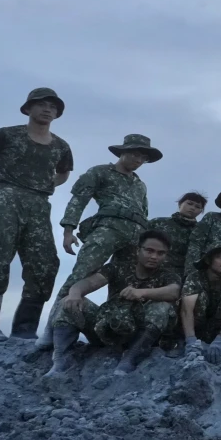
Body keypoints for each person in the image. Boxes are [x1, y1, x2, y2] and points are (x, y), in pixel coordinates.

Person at [0, 88, 74, 339]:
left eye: (53, 107)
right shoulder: (7, 135)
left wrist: (47, 184)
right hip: (6, 199)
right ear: (28, 108)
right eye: (42, 104)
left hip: (39, 204)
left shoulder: (61, 145)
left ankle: (24, 331)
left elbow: (64, 172)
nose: (47, 110)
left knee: (44, 265)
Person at [46, 134, 157, 346]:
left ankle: (110, 329)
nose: (139, 160)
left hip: (135, 236)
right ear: (122, 152)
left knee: (124, 281)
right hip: (108, 229)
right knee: (81, 275)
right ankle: (53, 328)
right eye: (135, 154)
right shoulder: (100, 172)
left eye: (143, 157)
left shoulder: (140, 185)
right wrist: (68, 230)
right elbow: (78, 200)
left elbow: (145, 213)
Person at [48, 230, 180, 376]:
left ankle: (130, 358)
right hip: (106, 326)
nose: (154, 256)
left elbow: (174, 292)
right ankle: (60, 359)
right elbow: (90, 282)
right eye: (149, 251)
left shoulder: (168, 275)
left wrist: (141, 292)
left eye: (160, 253)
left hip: (136, 333)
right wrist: (74, 293)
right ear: (138, 250)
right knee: (68, 302)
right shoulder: (117, 267)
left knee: (162, 307)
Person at [180, 242, 221, 365]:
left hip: (219, 333)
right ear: (209, 260)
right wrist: (190, 340)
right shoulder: (194, 278)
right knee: (198, 298)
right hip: (194, 331)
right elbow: (186, 310)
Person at [148, 192, 206, 282]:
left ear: (200, 211)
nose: (192, 208)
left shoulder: (201, 232)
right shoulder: (158, 223)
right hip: (153, 272)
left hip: (183, 278)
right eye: (189, 203)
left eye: (197, 207)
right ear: (180, 204)